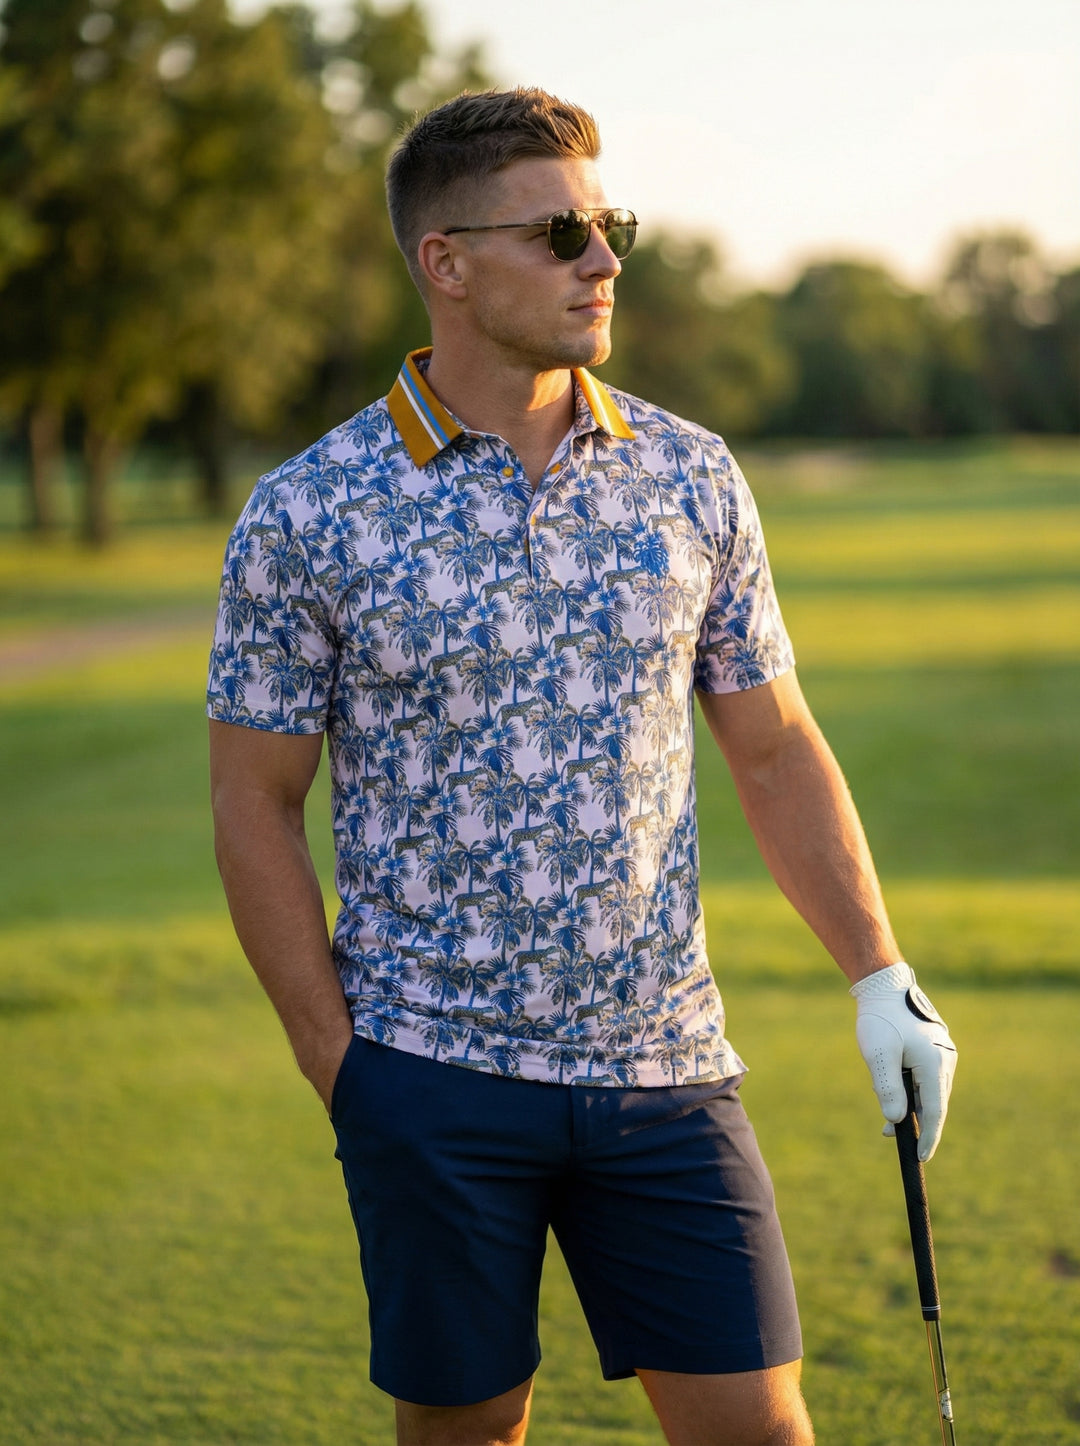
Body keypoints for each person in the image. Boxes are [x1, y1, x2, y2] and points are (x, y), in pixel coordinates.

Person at [208, 87, 957, 1446]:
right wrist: (347, 1071)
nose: (602, 259)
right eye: (561, 233)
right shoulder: (307, 513)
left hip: (666, 1070)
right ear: (447, 261)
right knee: (468, 1434)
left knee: (759, 1430)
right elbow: (254, 802)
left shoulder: (691, 476)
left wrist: (879, 970)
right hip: (429, 1071)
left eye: (610, 227)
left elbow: (776, 745)